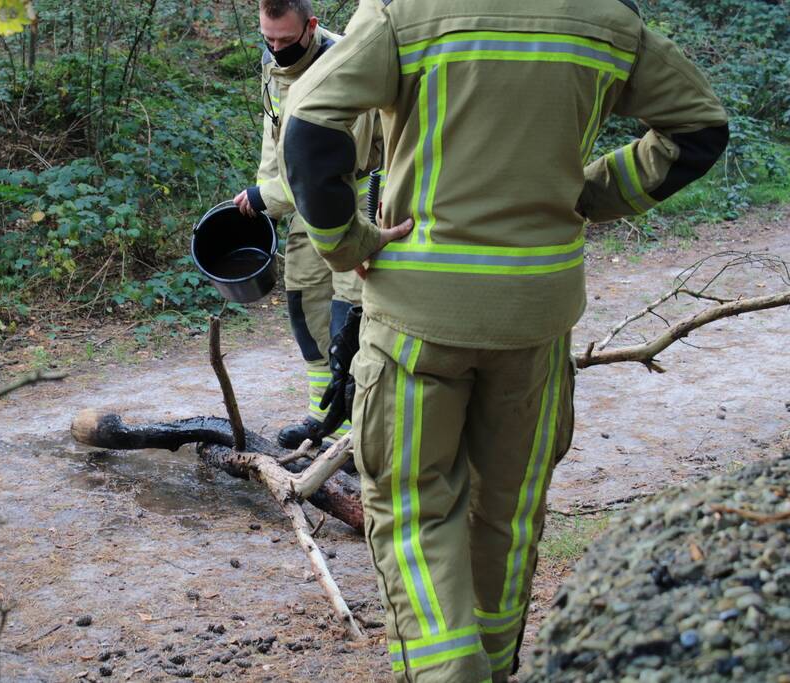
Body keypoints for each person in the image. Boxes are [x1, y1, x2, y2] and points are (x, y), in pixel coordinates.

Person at [281, 0, 728, 680]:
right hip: (535, 317)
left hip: (415, 317)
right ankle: (492, 666)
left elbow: (310, 125)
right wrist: (591, 195)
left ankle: (445, 672)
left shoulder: (405, 10)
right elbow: (697, 130)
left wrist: (347, 243)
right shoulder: (606, 17)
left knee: (411, 510)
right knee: (508, 513)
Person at [232, 0, 383, 449]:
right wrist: (264, 197)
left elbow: (334, 162)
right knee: (305, 304)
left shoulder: (344, 62)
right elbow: (273, 132)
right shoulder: (271, 61)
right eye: (268, 38)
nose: (276, 48)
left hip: (353, 200)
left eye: (285, 39)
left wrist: (267, 197)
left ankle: (359, 431)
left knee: (349, 317)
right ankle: (324, 418)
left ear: (311, 25)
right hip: (301, 203)